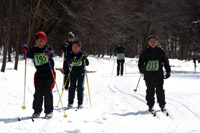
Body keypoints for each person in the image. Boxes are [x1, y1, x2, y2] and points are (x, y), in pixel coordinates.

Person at [22, 31, 55, 119]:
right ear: (35, 42)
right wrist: (26, 50)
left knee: (47, 91)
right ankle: (37, 111)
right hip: (39, 74)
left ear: (45, 41)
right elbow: (28, 54)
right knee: (38, 92)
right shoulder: (34, 49)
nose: (40, 43)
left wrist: (49, 53)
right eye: (38, 41)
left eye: (41, 41)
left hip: (49, 73)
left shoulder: (48, 48)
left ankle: (49, 111)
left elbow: (52, 53)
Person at [138, 35, 171, 112]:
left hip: (158, 74)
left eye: (154, 41)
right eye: (151, 41)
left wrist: (168, 71)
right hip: (148, 74)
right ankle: (150, 104)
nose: (152, 43)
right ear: (148, 43)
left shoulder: (161, 51)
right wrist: (141, 69)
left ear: (157, 42)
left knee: (160, 89)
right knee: (150, 89)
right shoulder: (145, 52)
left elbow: (166, 62)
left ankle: (162, 104)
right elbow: (140, 62)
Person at [65, 40, 89, 109]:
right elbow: (67, 60)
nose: (75, 48)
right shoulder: (70, 54)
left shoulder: (82, 54)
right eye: (73, 47)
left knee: (80, 87)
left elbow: (87, 63)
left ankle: (80, 102)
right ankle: (70, 102)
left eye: (76, 47)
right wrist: (70, 62)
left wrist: (85, 59)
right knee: (72, 87)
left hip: (81, 72)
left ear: (80, 47)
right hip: (72, 72)